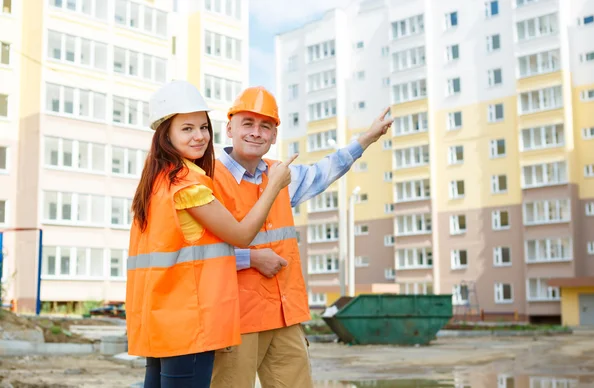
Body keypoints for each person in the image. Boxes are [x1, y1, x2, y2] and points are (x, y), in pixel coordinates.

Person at [210, 86, 394, 388]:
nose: (256, 133)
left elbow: (325, 171)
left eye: (265, 126)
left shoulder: (280, 175)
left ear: (273, 137)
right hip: (236, 318)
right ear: (229, 128)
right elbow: (195, 253)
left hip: (284, 315)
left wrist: (368, 138)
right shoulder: (210, 178)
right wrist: (251, 258)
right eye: (248, 124)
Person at [125, 81, 296, 388]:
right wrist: (274, 185)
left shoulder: (156, 182)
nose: (200, 136)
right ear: (166, 134)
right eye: (187, 129)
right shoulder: (187, 185)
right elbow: (242, 235)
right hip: (190, 322)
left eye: (203, 127)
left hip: (161, 318)